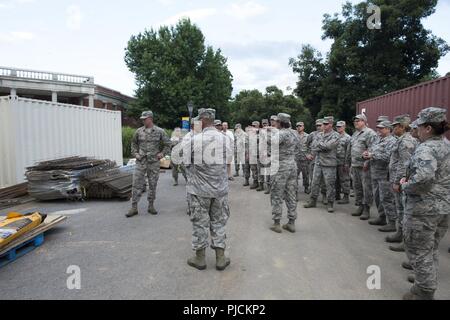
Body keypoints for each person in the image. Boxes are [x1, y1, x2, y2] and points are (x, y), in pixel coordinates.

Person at [400, 107, 450, 300]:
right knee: (431, 248)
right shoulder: (446, 145)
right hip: (443, 208)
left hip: (424, 209)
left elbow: (423, 179)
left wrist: (405, 186)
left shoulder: (426, 148)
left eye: (419, 126)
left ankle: (425, 292)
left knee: (419, 250)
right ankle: (426, 278)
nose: (417, 130)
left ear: (428, 128)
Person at [184, 108, 232, 271]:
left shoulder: (194, 140)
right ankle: (220, 258)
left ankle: (200, 259)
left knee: (200, 223)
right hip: (220, 190)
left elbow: (185, 163)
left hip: (199, 190)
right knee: (219, 222)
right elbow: (228, 161)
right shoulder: (226, 139)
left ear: (203, 120)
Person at [126, 111, 171, 218]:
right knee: (136, 184)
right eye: (142, 119)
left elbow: (168, 144)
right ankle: (134, 207)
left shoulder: (160, 131)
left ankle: (151, 205)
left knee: (152, 184)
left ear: (150, 118)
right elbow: (133, 143)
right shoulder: (138, 131)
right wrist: (135, 153)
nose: (143, 120)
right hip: (141, 161)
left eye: (145, 119)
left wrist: (162, 154)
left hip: (153, 163)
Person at [386, 115, 418, 250]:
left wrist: (397, 182)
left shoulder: (406, 142)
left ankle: (406, 241)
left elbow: (404, 165)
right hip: (397, 178)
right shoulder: (401, 140)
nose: (393, 128)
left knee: (403, 210)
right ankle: (400, 233)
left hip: (400, 180)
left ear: (403, 127)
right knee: (399, 209)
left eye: (396, 126)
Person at [363, 121, 397, 228]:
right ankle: (382, 217)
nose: (379, 130)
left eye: (381, 128)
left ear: (388, 129)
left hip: (384, 175)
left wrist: (372, 155)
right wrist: (367, 155)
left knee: (386, 199)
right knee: (377, 197)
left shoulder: (392, 141)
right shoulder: (377, 139)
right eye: (378, 128)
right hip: (375, 173)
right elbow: (371, 150)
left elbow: (388, 157)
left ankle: (391, 222)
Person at [269, 113, 299, 233]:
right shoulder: (294, 133)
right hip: (292, 165)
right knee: (291, 194)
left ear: (280, 122)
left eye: (276, 121)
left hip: (281, 167)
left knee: (277, 194)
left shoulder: (281, 133)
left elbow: (271, 143)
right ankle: (291, 222)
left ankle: (277, 223)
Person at [304, 116, 340, 212]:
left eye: (326, 124)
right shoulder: (319, 134)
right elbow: (313, 146)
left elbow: (329, 147)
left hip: (329, 164)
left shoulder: (335, 135)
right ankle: (313, 200)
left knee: (329, 184)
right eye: (323, 124)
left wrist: (321, 145)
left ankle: (330, 203)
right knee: (315, 182)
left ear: (331, 124)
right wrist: (322, 145)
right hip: (318, 162)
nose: (323, 125)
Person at [349, 114, 377, 220]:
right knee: (357, 187)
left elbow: (372, 149)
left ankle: (366, 209)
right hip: (355, 165)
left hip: (364, 166)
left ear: (364, 121)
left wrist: (367, 162)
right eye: (354, 120)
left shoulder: (370, 133)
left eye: (358, 120)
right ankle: (360, 206)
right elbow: (352, 148)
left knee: (366, 188)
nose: (355, 122)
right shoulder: (355, 134)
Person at [335, 121, 351, 204]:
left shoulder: (348, 138)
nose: (338, 128)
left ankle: (346, 196)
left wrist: (347, 163)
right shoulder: (334, 136)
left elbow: (348, 152)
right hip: (334, 161)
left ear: (344, 127)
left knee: (344, 179)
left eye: (340, 127)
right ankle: (336, 195)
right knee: (335, 179)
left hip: (343, 162)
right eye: (337, 127)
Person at [295, 122, 310, 197]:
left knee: (306, 174)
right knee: (295, 175)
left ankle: (306, 187)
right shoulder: (293, 136)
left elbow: (310, 146)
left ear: (303, 127)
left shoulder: (308, 136)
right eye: (297, 126)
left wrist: (309, 154)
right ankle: (295, 190)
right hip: (296, 159)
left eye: (300, 126)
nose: (298, 127)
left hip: (305, 159)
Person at [249, 121, 260, 189]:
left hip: (259, 154)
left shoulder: (261, 134)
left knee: (259, 169)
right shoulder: (250, 134)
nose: (253, 127)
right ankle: (255, 181)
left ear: (258, 126)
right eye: (253, 126)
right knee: (253, 169)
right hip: (252, 154)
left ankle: (260, 183)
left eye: (255, 126)